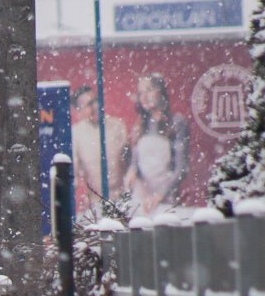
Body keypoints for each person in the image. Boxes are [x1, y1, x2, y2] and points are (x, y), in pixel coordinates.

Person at [124, 72, 191, 215]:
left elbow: (181, 169)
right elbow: (135, 164)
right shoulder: (140, 126)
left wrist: (160, 195)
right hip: (142, 196)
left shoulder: (177, 122)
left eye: (149, 90)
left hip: (166, 198)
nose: (144, 97)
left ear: (161, 91)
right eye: (140, 92)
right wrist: (132, 173)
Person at [70, 85, 130, 205]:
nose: (96, 106)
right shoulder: (76, 133)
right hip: (96, 202)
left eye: (96, 100)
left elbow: (130, 163)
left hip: (124, 199)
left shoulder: (118, 126)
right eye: (89, 104)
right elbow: (74, 173)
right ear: (79, 111)